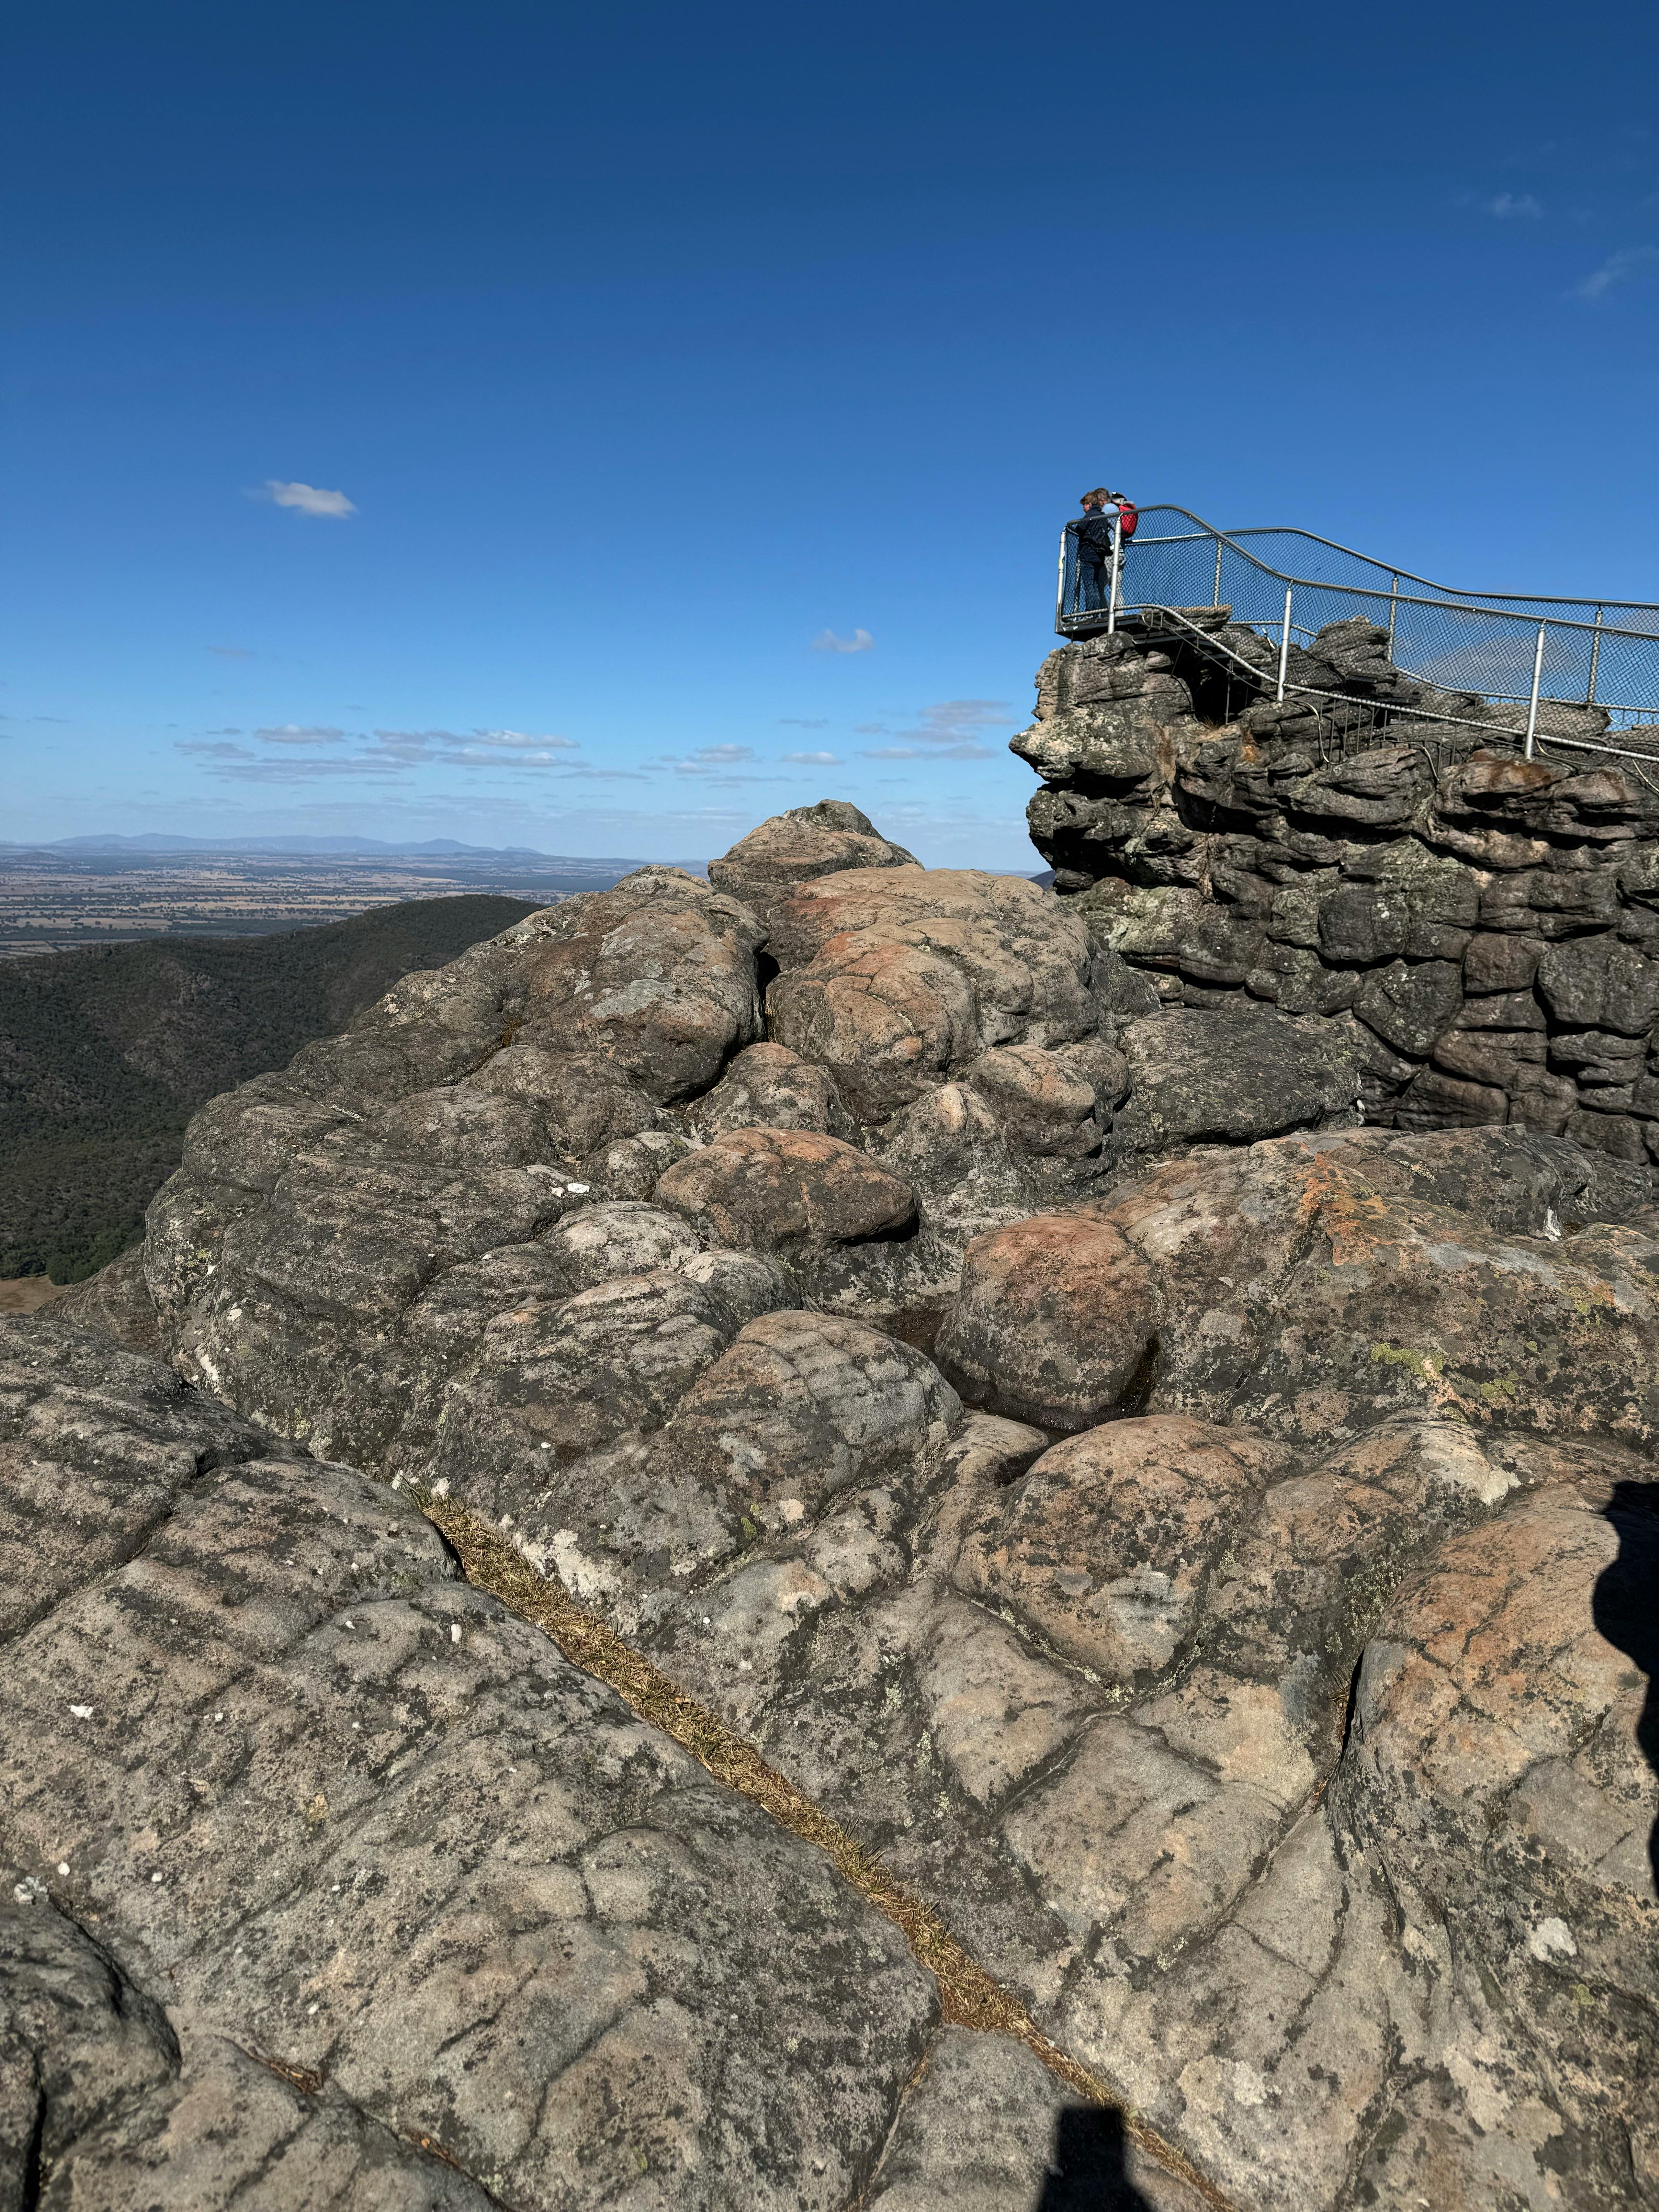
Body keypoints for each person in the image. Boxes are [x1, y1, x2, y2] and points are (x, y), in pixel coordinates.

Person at [1068, 488, 1116, 614]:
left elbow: (1080, 528)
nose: (1083, 508)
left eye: (1085, 505)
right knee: (1096, 585)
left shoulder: (1090, 515)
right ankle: (1096, 612)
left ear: (1089, 504)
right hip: (1100, 555)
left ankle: (1090, 611)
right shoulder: (1103, 516)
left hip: (1088, 554)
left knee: (1089, 585)